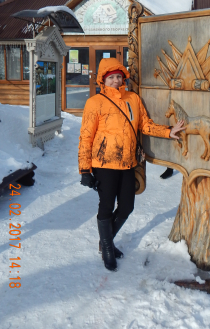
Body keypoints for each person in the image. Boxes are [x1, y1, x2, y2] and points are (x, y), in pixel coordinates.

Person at [78, 57, 185, 272]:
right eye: (111, 77)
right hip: (104, 163)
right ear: (103, 80)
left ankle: (106, 239)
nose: (116, 81)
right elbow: (86, 136)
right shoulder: (95, 103)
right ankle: (107, 247)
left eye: (119, 76)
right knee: (106, 206)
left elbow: (145, 125)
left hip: (127, 163)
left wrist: (168, 131)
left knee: (127, 207)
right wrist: (84, 169)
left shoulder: (133, 99)